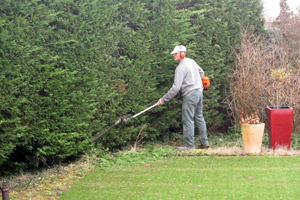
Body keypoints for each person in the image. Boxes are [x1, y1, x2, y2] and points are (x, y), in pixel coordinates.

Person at [157, 45, 209, 150]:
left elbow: (176, 88)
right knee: (199, 117)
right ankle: (205, 142)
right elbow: (202, 72)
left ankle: (190, 145)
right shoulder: (192, 61)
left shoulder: (180, 68)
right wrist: (197, 82)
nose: (173, 55)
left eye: (175, 53)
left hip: (190, 95)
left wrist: (164, 99)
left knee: (188, 119)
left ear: (182, 53)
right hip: (199, 93)